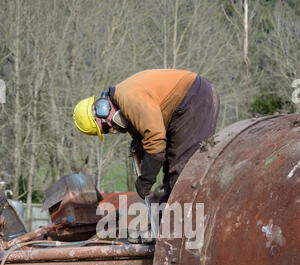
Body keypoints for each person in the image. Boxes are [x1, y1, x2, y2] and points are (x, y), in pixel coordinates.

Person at [73, 69, 220, 204]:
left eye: (105, 126)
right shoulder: (125, 106)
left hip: (193, 98)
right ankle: (171, 218)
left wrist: (145, 180)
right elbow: (147, 132)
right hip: (184, 105)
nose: (111, 127)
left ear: (102, 108)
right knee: (172, 177)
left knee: (183, 175)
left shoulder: (128, 97)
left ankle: (189, 223)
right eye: (106, 131)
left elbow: (155, 139)